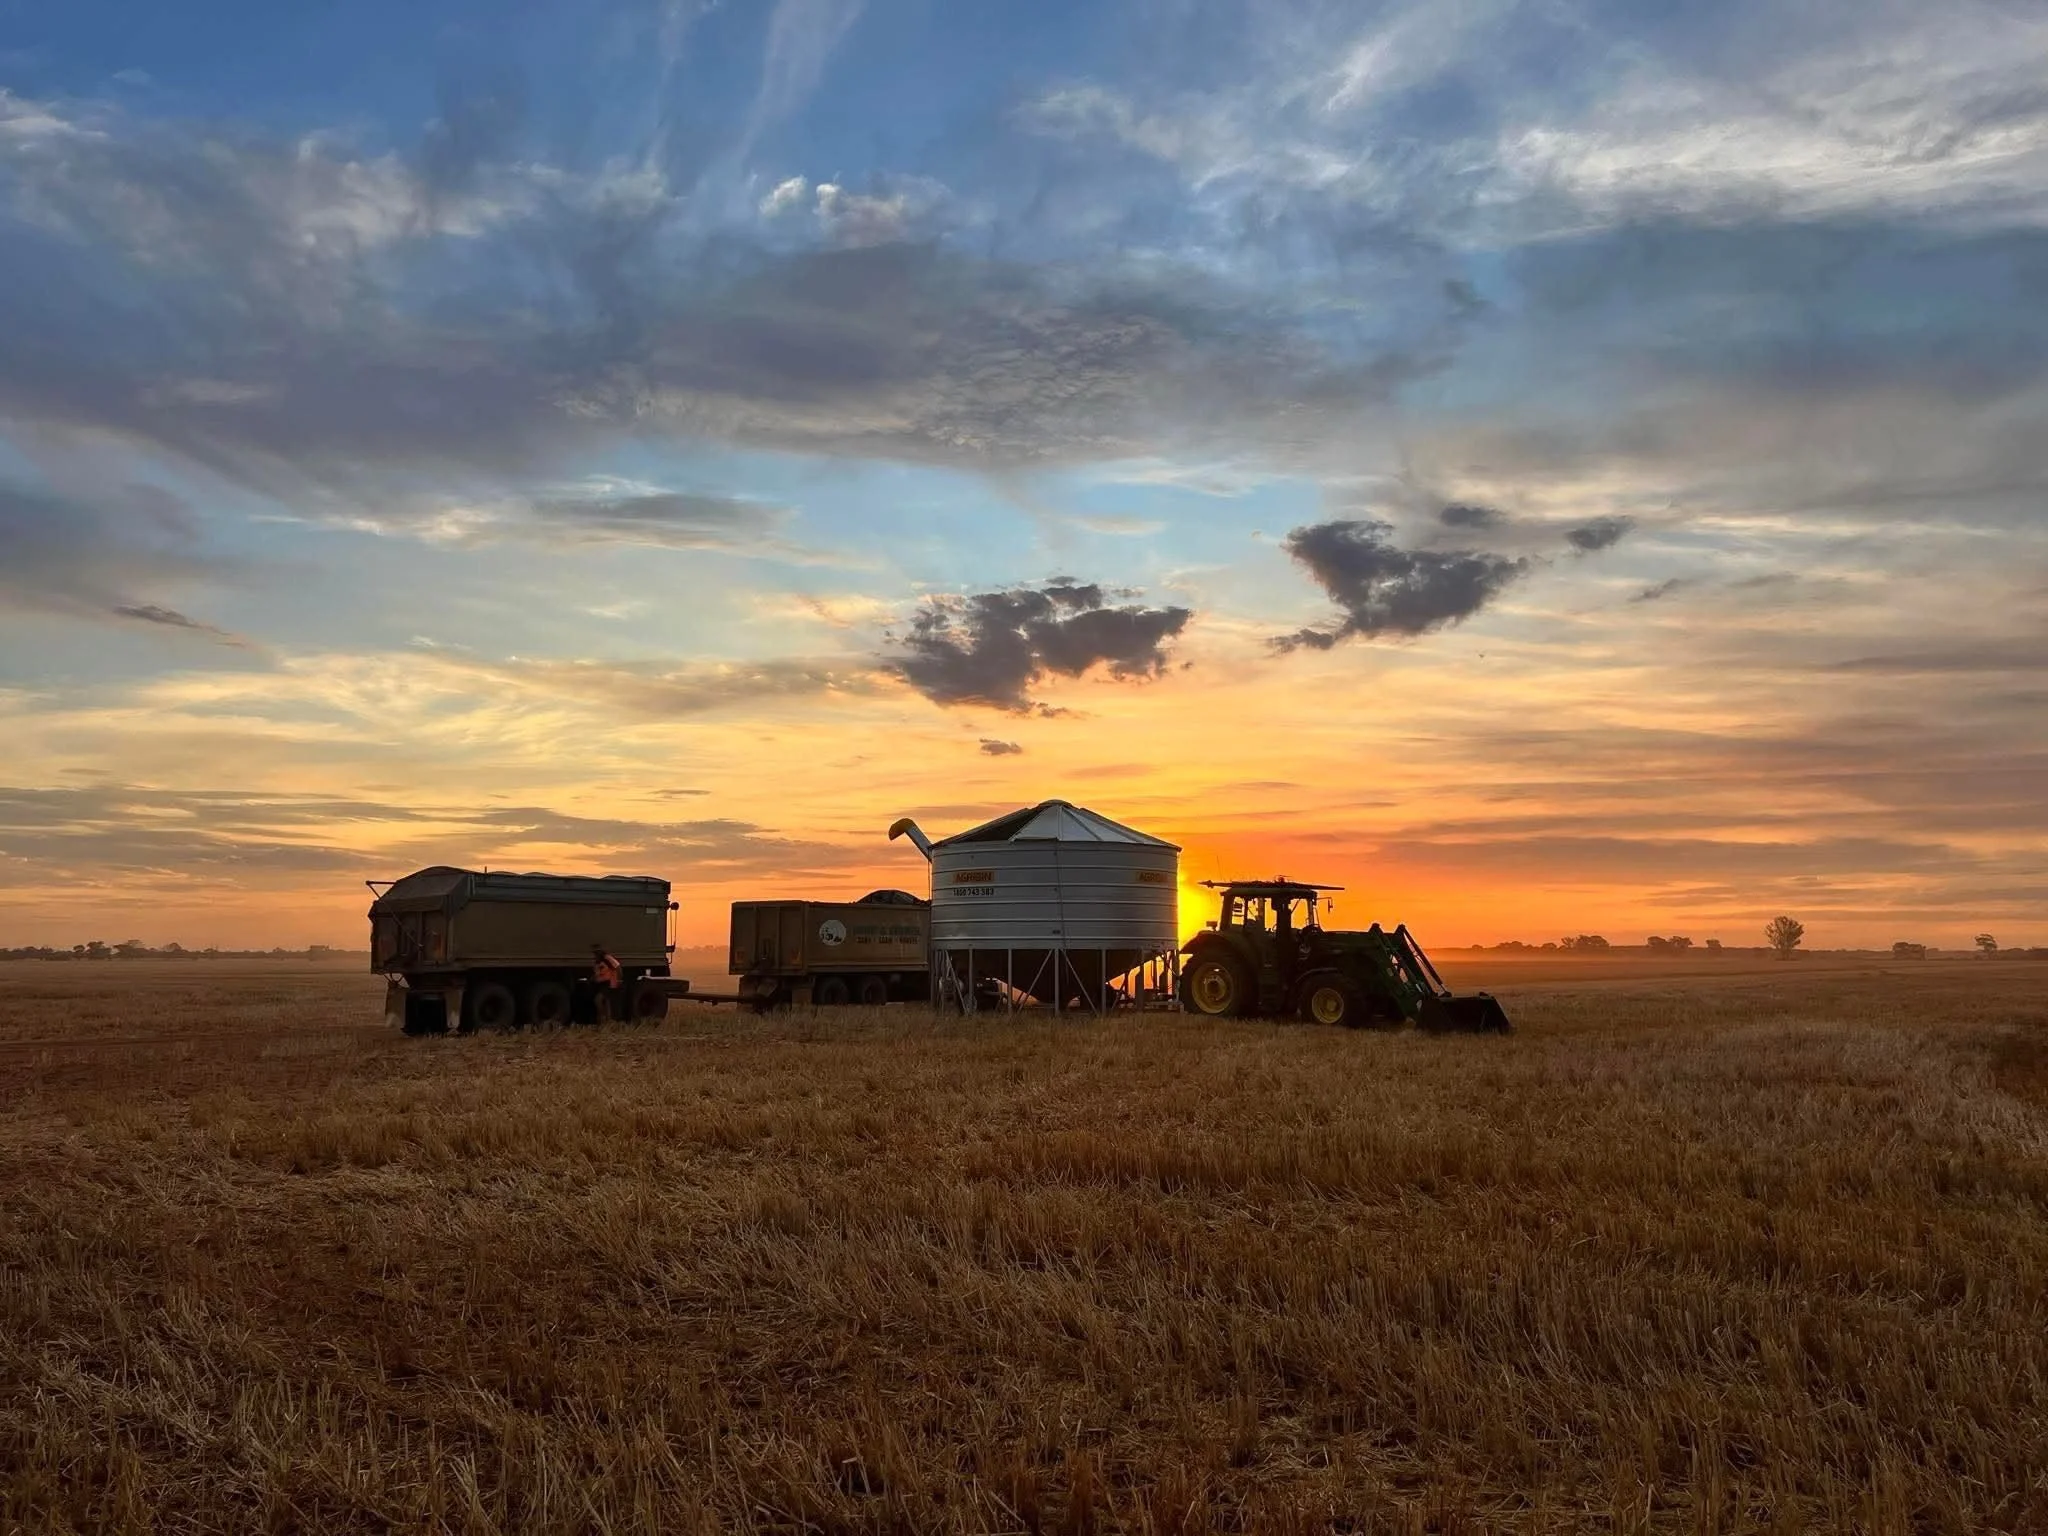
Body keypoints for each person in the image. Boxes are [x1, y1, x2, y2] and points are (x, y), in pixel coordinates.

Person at [591, 943, 622, 1024]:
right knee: (607, 1002)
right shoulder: (597, 962)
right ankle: (608, 1020)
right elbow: (597, 973)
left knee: (598, 1000)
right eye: (594, 952)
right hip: (601, 983)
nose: (595, 954)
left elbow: (618, 967)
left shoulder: (607, 958)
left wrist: (618, 980)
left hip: (609, 983)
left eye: (597, 952)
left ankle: (603, 1017)